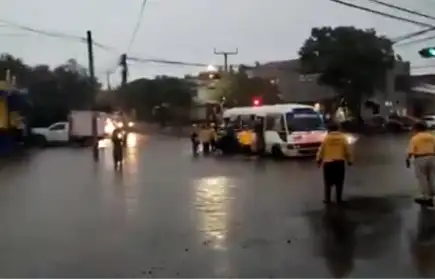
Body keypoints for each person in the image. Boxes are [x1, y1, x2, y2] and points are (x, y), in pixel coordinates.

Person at [316, 122, 353, 204]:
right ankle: (339, 199)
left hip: (328, 163)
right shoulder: (343, 138)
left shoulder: (327, 138)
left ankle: (327, 199)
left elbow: (321, 150)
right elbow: (347, 150)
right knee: (339, 182)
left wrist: (318, 160)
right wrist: (350, 160)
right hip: (339, 163)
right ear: (338, 128)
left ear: (329, 129)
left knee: (327, 182)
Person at [406, 122, 435, 207]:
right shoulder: (432, 137)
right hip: (432, 157)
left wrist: (407, 159)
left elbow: (411, 151)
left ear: (416, 129)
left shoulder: (415, 138)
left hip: (420, 158)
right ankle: (431, 195)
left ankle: (425, 197)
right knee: (432, 177)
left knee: (422, 177)